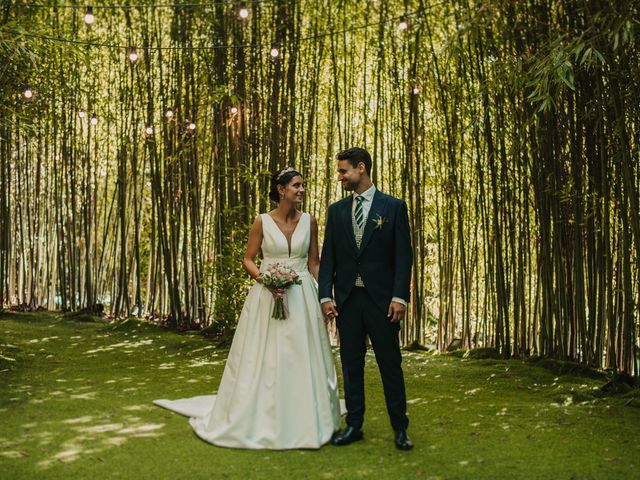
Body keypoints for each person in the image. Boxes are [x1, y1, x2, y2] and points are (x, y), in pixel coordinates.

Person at [155, 167, 342, 449]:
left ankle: (305, 414)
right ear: (281, 190)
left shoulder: (310, 222)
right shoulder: (262, 221)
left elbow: (314, 262)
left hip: (302, 295)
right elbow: (249, 259)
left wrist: (326, 295)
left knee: (302, 354)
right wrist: (266, 279)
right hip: (268, 296)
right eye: (296, 186)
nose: (301, 190)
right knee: (266, 355)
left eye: (303, 185)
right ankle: (265, 412)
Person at [318, 147, 414, 450]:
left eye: (344, 171)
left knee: (390, 364)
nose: (340, 177)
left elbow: (403, 257)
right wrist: (325, 296)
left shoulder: (394, 207)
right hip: (348, 300)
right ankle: (354, 425)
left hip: (383, 301)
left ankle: (400, 428)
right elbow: (328, 257)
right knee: (351, 364)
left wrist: (400, 296)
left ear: (361, 168)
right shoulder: (337, 211)